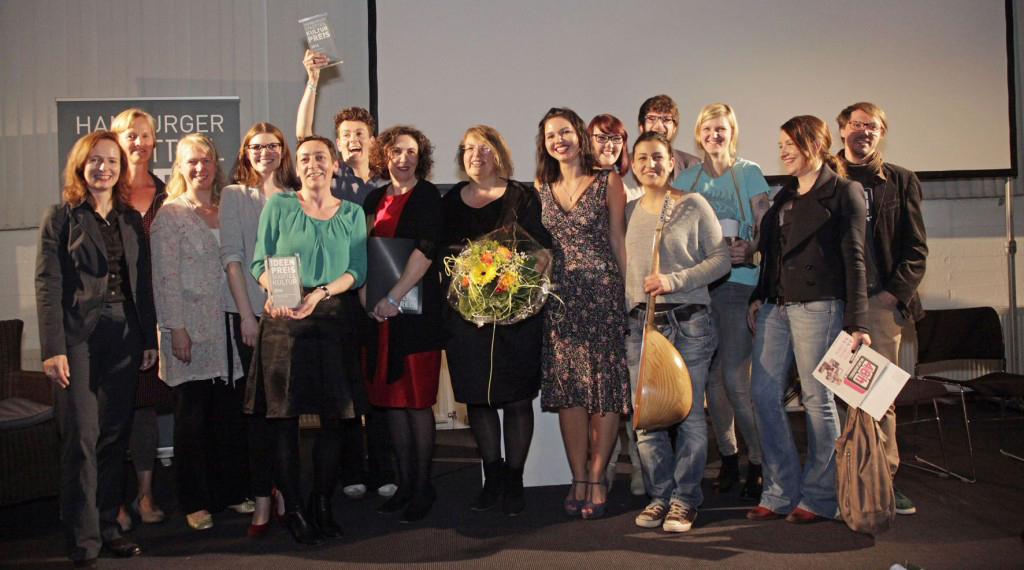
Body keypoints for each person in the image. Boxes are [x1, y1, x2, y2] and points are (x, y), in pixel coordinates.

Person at [36, 130, 157, 566]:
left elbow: (142, 285)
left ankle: (108, 527)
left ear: (121, 169)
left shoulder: (129, 219)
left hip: (125, 336)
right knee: (82, 438)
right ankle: (83, 539)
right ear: (81, 166)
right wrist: (53, 348)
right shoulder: (60, 217)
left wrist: (148, 339)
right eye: (95, 161)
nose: (103, 168)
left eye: (111, 161)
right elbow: (48, 286)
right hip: (78, 340)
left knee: (112, 437)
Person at [745, 115, 871, 524]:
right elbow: (773, 255)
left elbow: (855, 259)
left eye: (790, 144)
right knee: (763, 395)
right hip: (775, 307)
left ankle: (820, 497)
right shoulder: (783, 196)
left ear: (815, 145)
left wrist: (858, 323)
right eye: (780, 144)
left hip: (820, 305)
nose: (782, 151)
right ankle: (781, 491)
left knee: (818, 401)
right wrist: (758, 295)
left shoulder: (843, 192)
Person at [247, 135, 367, 545]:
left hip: (333, 319)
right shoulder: (278, 206)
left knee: (335, 420)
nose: (313, 163)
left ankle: (320, 503)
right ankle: (295, 509)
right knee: (284, 421)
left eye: (320, 157)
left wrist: (321, 293)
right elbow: (259, 262)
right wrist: (273, 292)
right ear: (295, 167)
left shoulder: (352, 212)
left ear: (334, 164)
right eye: (304, 158)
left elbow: (358, 270)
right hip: (284, 324)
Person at [298, 49, 396, 501]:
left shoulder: (385, 185)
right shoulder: (330, 181)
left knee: (377, 387)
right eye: (345, 134)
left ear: (372, 140)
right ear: (335, 143)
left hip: (376, 296)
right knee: (345, 387)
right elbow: (302, 135)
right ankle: (352, 469)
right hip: (337, 297)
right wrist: (313, 82)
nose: (352, 139)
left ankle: (385, 469)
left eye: (360, 133)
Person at [441, 125, 553, 515]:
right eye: (469, 148)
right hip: (465, 318)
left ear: (499, 154)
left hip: (515, 315)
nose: (477, 155)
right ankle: (492, 477)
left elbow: (542, 250)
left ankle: (515, 481)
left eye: (484, 148)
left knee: (518, 398)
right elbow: (438, 253)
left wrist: (516, 280)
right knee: (479, 399)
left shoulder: (522, 196)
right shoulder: (451, 199)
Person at [626, 131, 730, 532]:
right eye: (642, 159)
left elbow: (721, 260)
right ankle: (659, 497)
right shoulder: (630, 211)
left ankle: (685, 500)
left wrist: (674, 280)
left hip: (688, 324)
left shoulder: (692, 204)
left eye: (658, 157)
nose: (650, 164)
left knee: (688, 417)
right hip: (640, 327)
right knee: (647, 419)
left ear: (672, 163)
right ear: (633, 166)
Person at [534, 107, 630, 520]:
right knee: (569, 391)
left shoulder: (609, 181)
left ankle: (597, 475)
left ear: (580, 136)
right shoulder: (541, 185)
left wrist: (627, 299)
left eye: (566, 132)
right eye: (552, 135)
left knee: (604, 390)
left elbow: (618, 241)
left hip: (603, 294)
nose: (560, 140)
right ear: (545, 143)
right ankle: (577, 475)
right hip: (561, 300)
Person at [673, 103, 769, 500]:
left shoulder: (749, 172)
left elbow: (768, 230)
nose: (715, 135)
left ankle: (759, 461)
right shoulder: (689, 178)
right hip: (700, 289)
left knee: (734, 379)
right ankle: (729, 458)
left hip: (738, 284)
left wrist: (752, 250)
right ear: (699, 134)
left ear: (732, 132)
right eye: (708, 129)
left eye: (722, 128)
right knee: (710, 384)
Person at [151, 134, 247, 532]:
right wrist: (176, 330)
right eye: (191, 161)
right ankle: (193, 500)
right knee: (192, 422)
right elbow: (164, 279)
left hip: (229, 328)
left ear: (215, 164)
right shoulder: (170, 215)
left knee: (228, 416)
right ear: (179, 166)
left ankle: (230, 492)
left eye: (206, 160)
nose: (200, 168)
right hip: (189, 329)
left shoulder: (228, 207)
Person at [836, 102, 927, 516]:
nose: (864, 132)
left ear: (881, 134)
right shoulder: (825, 177)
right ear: (841, 130)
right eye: (857, 125)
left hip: (880, 305)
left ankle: (884, 481)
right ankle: (841, 481)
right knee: (837, 396)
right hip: (833, 303)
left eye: (872, 127)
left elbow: (916, 249)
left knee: (878, 397)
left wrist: (894, 293)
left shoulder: (902, 181)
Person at [361, 125, 444, 524]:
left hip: (415, 316)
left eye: (412, 152)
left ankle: (422, 487)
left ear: (420, 157)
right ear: (385, 156)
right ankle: (404, 484)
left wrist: (393, 298)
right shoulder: (374, 197)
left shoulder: (428, 196)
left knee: (416, 403)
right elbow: (361, 252)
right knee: (392, 403)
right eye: (396, 151)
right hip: (379, 318)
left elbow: (426, 251)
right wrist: (369, 302)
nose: (404, 158)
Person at [220, 122, 299, 536]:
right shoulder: (235, 195)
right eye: (256, 146)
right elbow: (233, 258)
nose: (264, 152)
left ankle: (286, 494)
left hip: (288, 318)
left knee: (285, 412)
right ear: (245, 152)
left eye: (272, 146)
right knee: (256, 413)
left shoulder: (295, 196)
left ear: (282, 151)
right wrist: (247, 315)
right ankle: (262, 503)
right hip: (250, 317)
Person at [109, 108, 170, 530]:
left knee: (145, 409)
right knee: (114, 412)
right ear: (116, 139)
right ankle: (112, 501)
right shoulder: (103, 192)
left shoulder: (168, 192)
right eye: (130, 135)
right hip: (112, 319)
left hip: (155, 314)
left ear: (153, 142)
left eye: (145, 135)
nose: (138, 142)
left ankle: (145, 496)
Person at [587, 113, 644, 497]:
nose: (609, 146)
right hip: (593, 299)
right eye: (601, 138)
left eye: (616, 140)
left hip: (630, 296)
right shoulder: (580, 184)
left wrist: (631, 293)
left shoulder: (640, 186)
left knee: (634, 390)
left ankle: (641, 468)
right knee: (601, 391)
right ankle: (600, 470)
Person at [623, 95, 701, 200]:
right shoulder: (622, 167)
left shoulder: (693, 165)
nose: (659, 125)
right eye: (651, 118)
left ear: (675, 128)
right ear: (641, 127)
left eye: (666, 119)